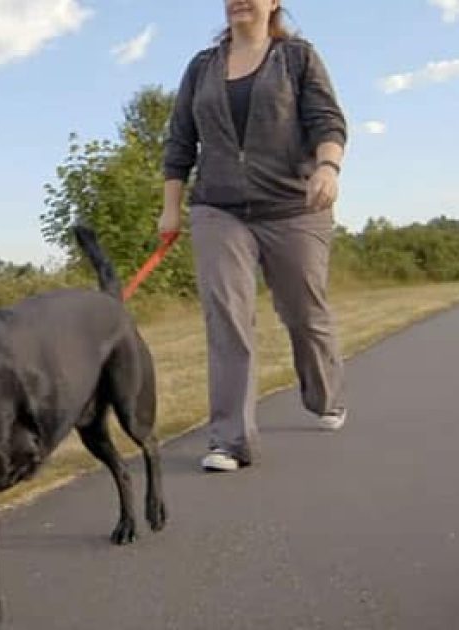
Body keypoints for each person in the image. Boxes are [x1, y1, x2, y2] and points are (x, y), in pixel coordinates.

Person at [158, 0, 349, 472]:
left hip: (292, 206)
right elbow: (180, 140)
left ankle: (324, 395)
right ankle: (229, 440)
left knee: (304, 313)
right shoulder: (201, 68)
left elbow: (328, 121)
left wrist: (327, 166)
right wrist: (171, 208)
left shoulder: (297, 57)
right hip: (218, 208)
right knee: (227, 318)